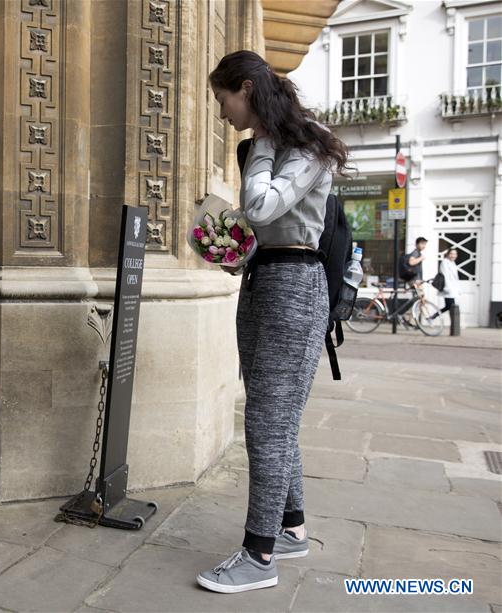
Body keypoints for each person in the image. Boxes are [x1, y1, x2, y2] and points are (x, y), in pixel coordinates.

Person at [196, 50, 351, 594]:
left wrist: (260, 138)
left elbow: (262, 205)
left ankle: (259, 556)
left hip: (296, 288)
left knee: (266, 420)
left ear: (246, 89)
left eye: (224, 100)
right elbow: (260, 226)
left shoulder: (306, 143)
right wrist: (227, 246)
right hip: (263, 281)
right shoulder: (267, 146)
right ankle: (291, 529)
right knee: (274, 414)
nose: (222, 114)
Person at [431, 248, 461, 320]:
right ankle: (455, 324)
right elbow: (445, 276)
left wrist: (458, 288)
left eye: (455, 254)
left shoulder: (452, 263)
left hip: (453, 288)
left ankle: (432, 317)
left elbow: (455, 278)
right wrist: (447, 288)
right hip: (448, 288)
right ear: (448, 254)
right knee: (451, 306)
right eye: (451, 254)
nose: (453, 256)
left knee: (449, 306)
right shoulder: (445, 262)